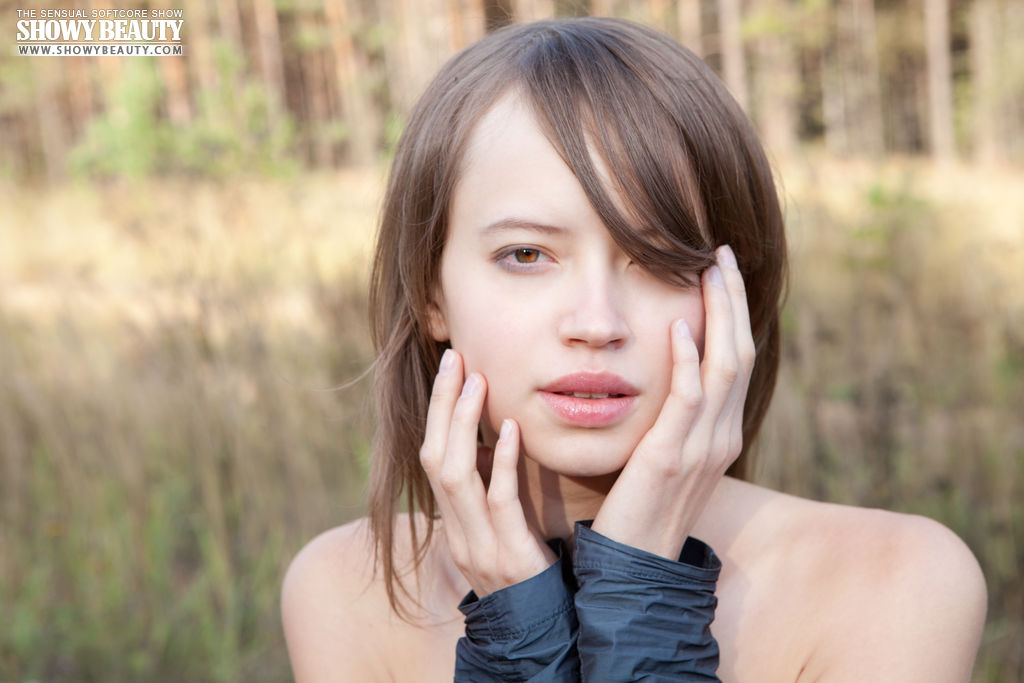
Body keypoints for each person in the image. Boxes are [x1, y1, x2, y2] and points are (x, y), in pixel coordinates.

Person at [281, 17, 986, 681]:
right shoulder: (350, 592)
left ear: (734, 291)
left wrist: (640, 600)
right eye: (526, 254)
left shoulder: (895, 583)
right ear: (430, 293)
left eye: (657, 260)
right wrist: (518, 630)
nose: (596, 323)